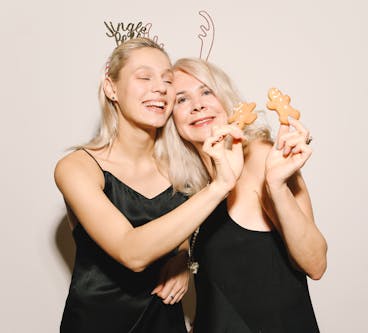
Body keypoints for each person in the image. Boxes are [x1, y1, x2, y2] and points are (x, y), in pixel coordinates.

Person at [54, 38, 244, 333]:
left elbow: (184, 227)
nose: (160, 88)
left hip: (165, 323)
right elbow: (132, 252)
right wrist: (218, 186)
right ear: (111, 88)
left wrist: (183, 257)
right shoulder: (78, 167)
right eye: (144, 77)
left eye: (167, 80)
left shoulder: (182, 165)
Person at [162, 58, 328, 332]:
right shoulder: (193, 185)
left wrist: (276, 187)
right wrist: (181, 259)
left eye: (206, 91)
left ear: (226, 100)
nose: (197, 105)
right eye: (181, 99)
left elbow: (315, 263)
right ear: (171, 117)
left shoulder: (262, 157)